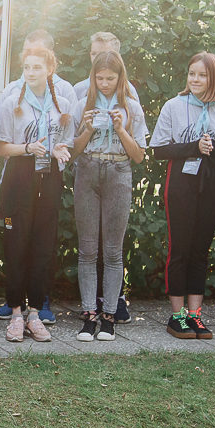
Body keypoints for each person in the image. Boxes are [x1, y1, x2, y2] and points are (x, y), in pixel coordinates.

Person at [148, 52, 215, 340]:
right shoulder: (174, 106)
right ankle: (176, 316)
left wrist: (212, 147)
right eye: (192, 74)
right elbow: (159, 149)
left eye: (202, 75)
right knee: (181, 249)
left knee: (201, 250)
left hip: (212, 182)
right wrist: (193, 147)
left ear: (213, 78)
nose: (195, 79)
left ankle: (195, 315)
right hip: (182, 182)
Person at [0, 29, 74, 325]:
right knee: (16, 245)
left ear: (50, 70)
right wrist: (28, 147)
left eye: (37, 67)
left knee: (43, 246)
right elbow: (1, 148)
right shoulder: (11, 102)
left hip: (49, 178)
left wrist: (60, 149)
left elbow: (66, 142)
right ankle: (15, 308)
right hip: (19, 176)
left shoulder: (63, 105)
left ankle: (37, 310)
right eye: (26, 67)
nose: (30, 72)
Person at [64, 30, 141, 325]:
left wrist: (121, 128)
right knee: (87, 249)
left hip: (118, 171)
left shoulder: (131, 106)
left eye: (110, 79)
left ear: (120, 78)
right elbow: (72, 153)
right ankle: (88, 313)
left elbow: (138, 155)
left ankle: (109, 313)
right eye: (100, 78)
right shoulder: (82, 102)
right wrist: (87, 128)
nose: (105, 84)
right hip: (88, 170)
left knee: (112, 251)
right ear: (93, 77)